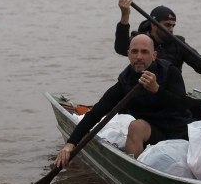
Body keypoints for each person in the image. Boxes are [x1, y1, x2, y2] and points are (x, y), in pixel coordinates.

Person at [55, 33, 191, 166]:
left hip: (178, 131)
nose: (139, 57)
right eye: (134, 52)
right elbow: (96, 113)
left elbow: (181, 106)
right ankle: (138, 172)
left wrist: (157, 89)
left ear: (154, 55)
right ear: (128, 54)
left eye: (144, 52)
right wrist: (70, 144)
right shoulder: (125, 81)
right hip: (152, 133)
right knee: (136, 126)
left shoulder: (170, 72)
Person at [114, 0, 201, 120]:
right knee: (123, 107)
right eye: (167, 25)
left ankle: (191, 135)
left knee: (198, 106)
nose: (171, 29)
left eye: (173, 25)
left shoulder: (177, 43)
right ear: (154, 25)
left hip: (170, 96)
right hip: (143, 94)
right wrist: (125, 15)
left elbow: (198, 62)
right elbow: (121, 47)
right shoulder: (141, 41)